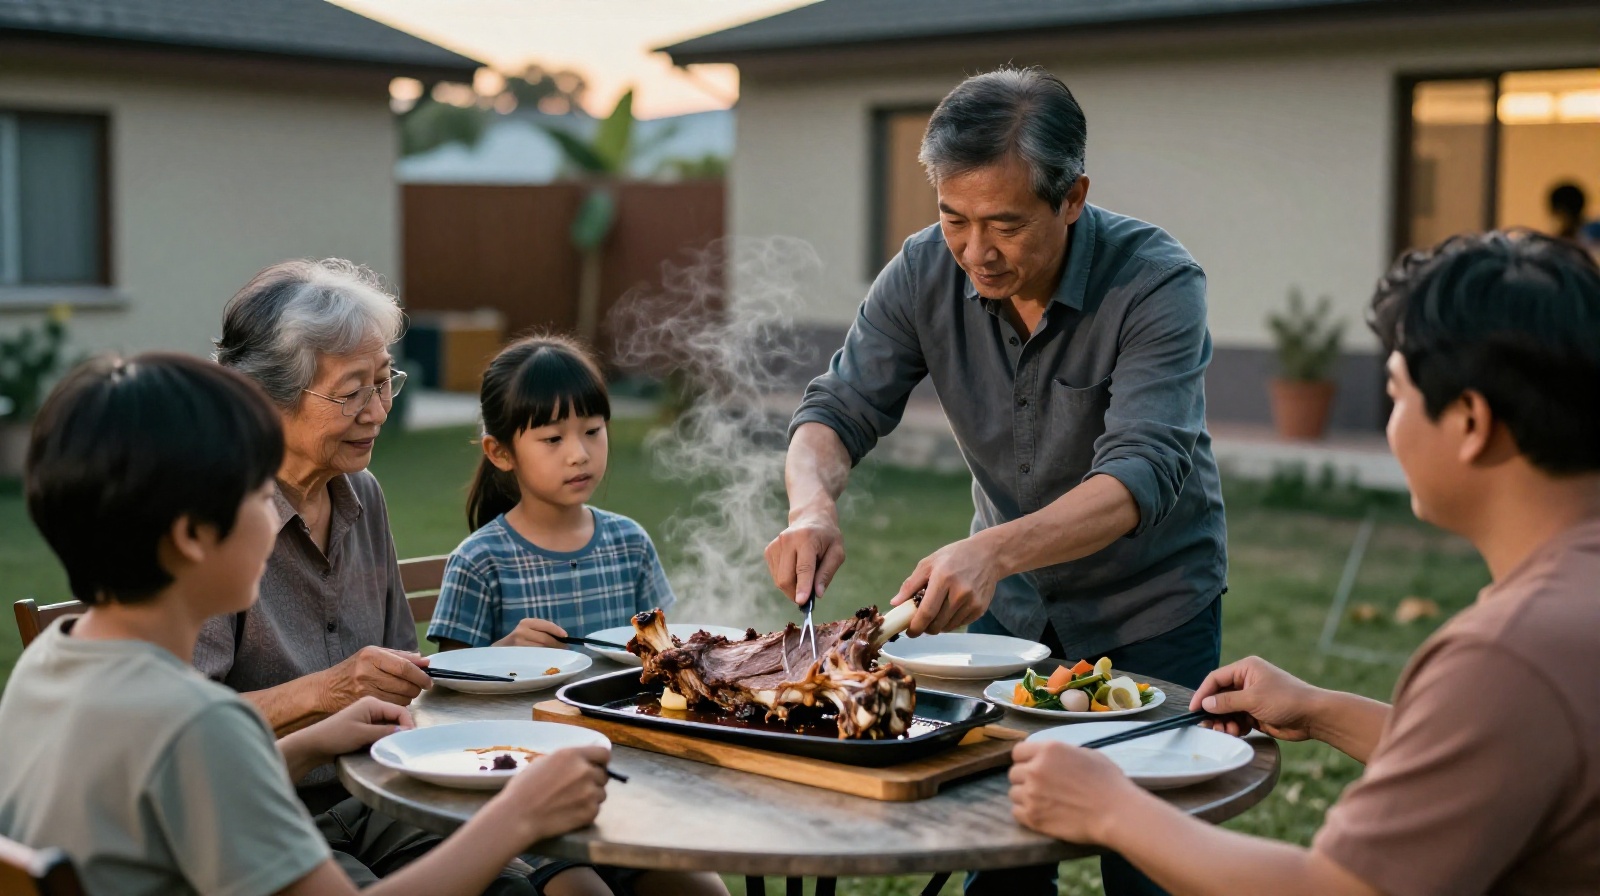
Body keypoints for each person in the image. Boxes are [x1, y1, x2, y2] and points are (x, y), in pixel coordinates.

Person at [1008, 230, 1600, 895]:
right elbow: (1504, 748)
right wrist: (1319, 710)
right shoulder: (1563, 620)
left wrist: (1107, 806)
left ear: (1470, 421)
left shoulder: (1508, 655)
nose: (1390, 424)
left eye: (1397, 394)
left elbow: (1340, 888)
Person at [763, 65, 1226, 895]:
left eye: (1005, 224)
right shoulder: (921, 272)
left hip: (1153, 608)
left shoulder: (1156, 282)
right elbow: (836, 408)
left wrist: (992, 552)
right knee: (1002, 856)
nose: (976, 251)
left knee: (1153, 866)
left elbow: (1142, 473)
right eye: (953, 218)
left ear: (1072, 197)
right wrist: (811, 507)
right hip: (1012, 624)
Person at [0, 352, 610, 896]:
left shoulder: (47, 668)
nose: (277, 518)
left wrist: (311, 742)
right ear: (190, 538)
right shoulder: (198, 726)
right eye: (258, 497)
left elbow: (187, 795)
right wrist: (519, 817)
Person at [427, 335, 723, 896]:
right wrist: (498, 658)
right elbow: (444, 702)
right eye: (552, 438)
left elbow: (666, 661)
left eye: (592, 430)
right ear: (501, 452)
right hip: (520, 803)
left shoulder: (628, 543)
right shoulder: (481, 560)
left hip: (632, 786)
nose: (579, 453)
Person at [198, 259, 442, 878]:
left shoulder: (364, 494)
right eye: (352, 391)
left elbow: (398, 667)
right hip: (258, 814)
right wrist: (328, 691)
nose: (378, 411)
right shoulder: (208, 516)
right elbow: (181, 727)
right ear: (264, 395)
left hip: (382, 793)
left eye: (385, 383)